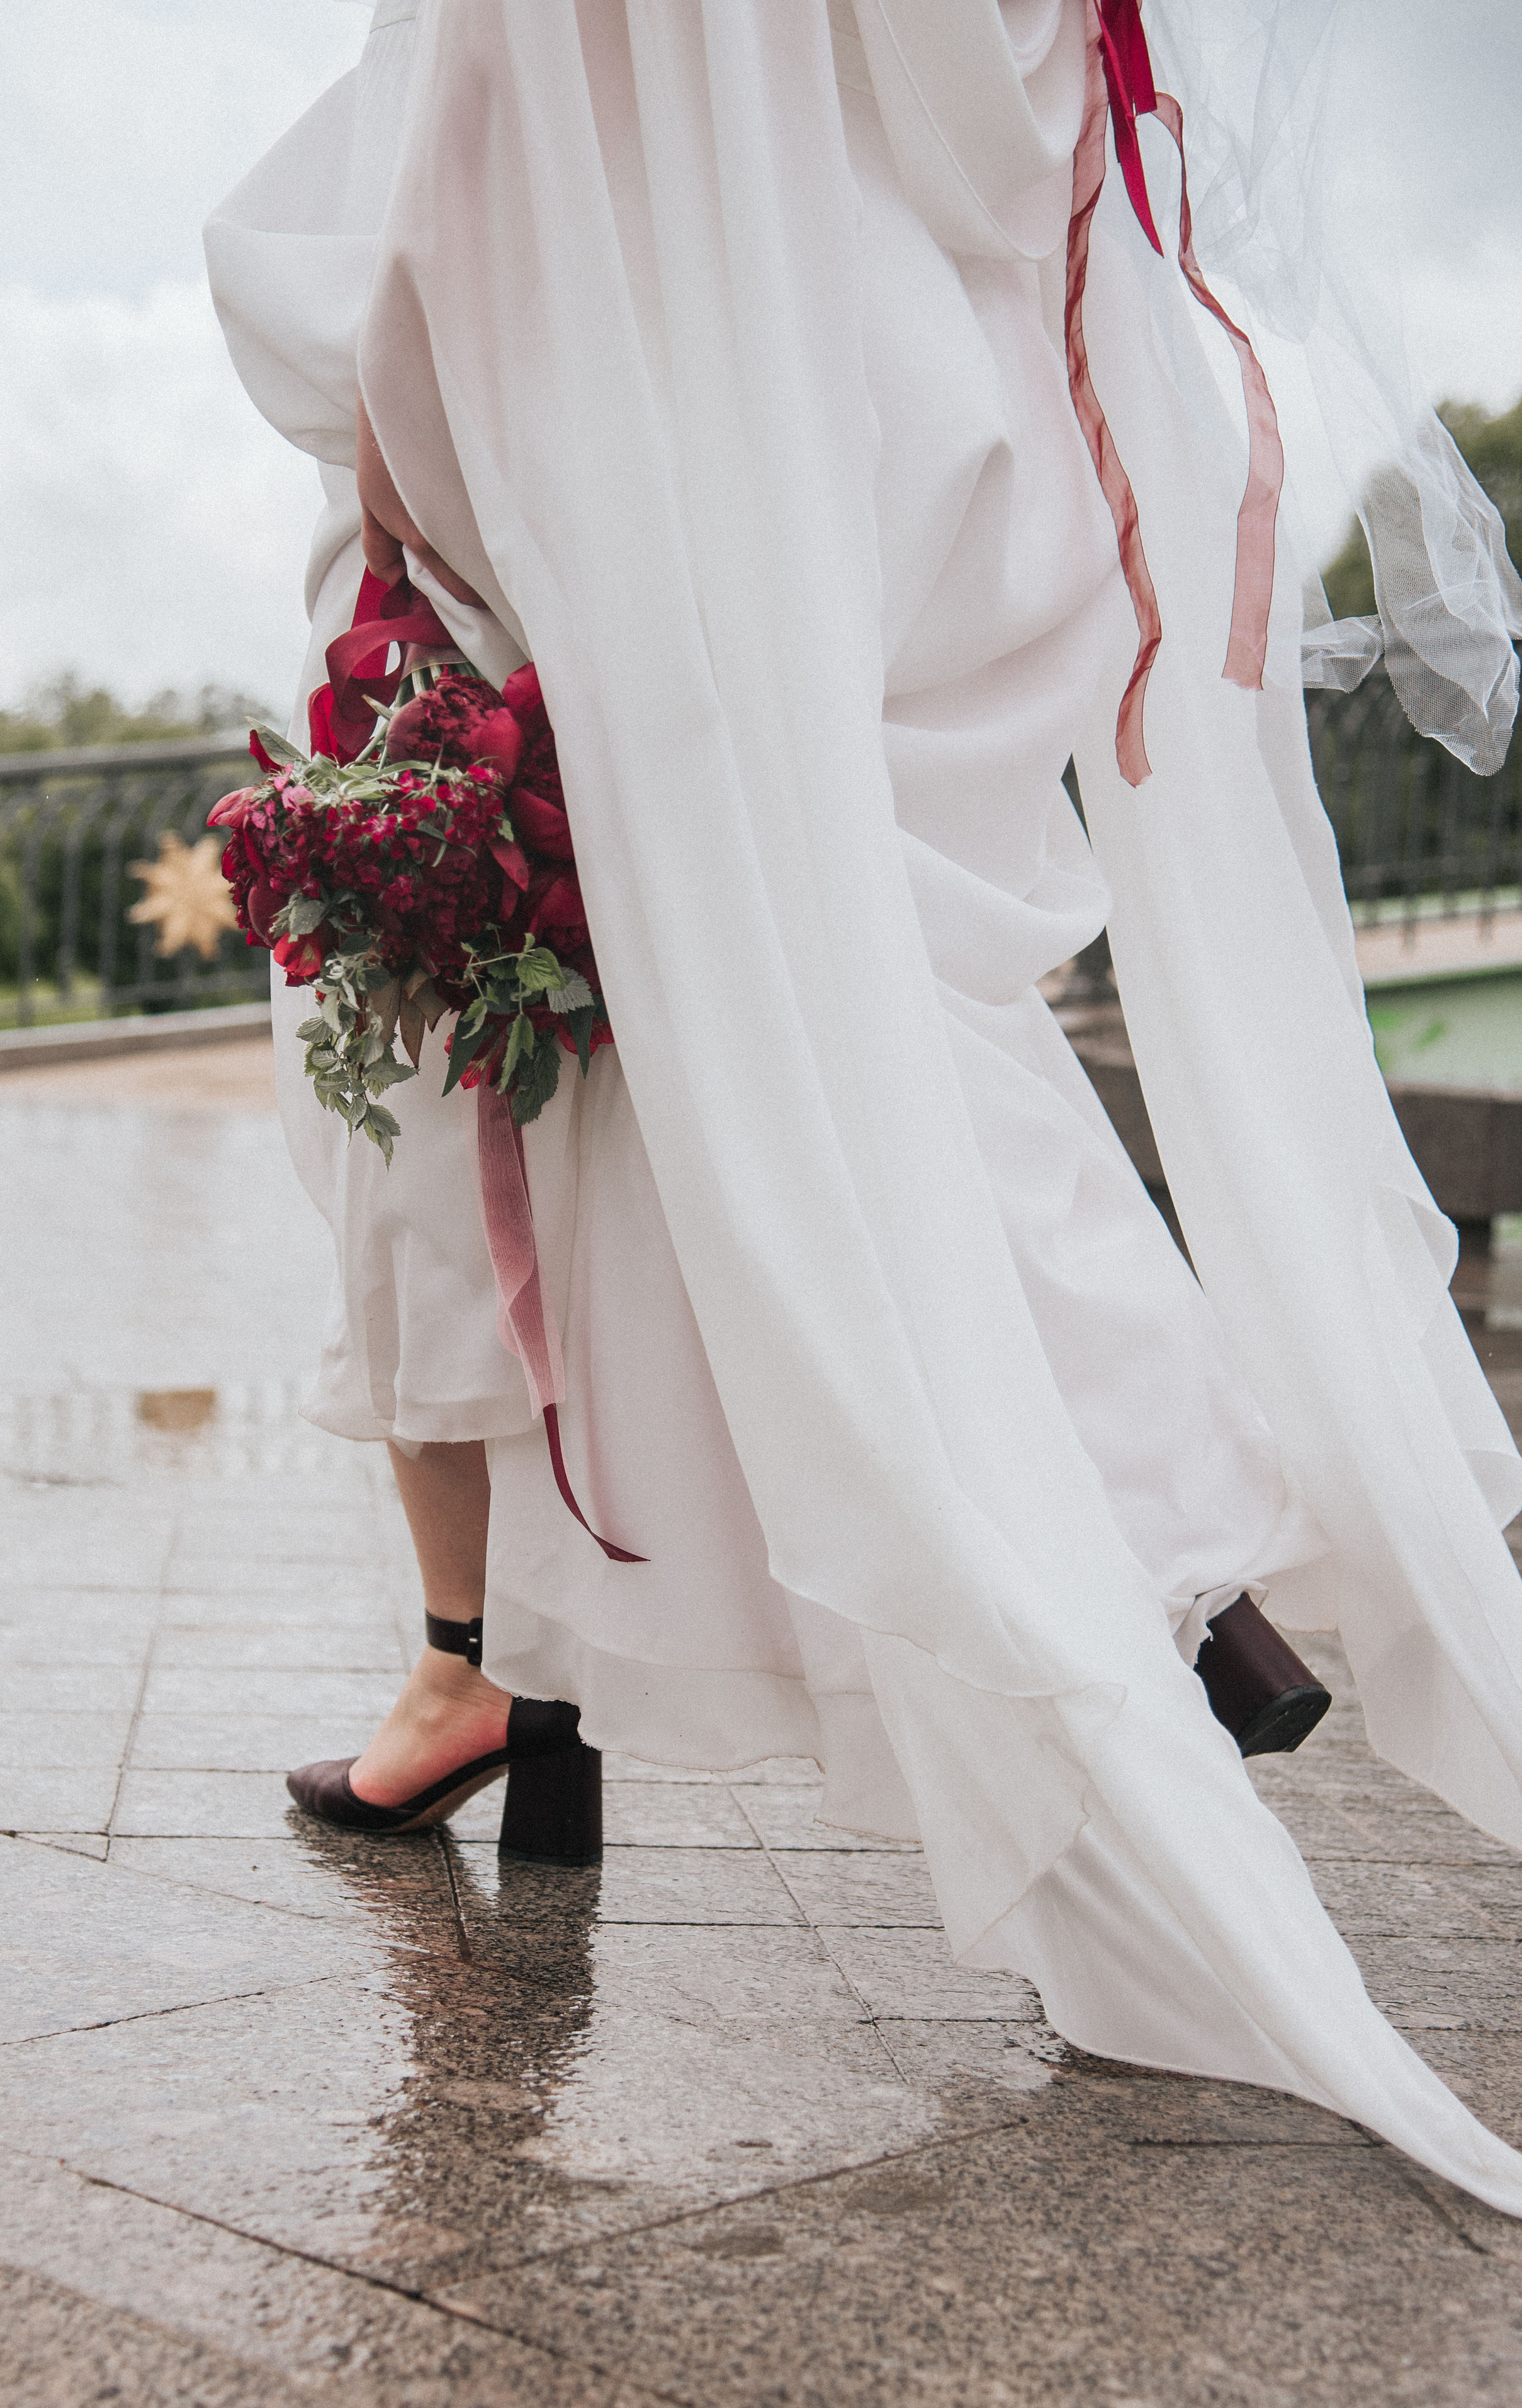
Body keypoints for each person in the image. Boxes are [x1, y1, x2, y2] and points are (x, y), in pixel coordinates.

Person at [206, 0, 1522, 2213]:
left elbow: (401, 264)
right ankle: (1175, 1569)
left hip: (659, 441)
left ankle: (475, 1670)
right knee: (913, 1014)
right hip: (951, 414)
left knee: (425, 1083)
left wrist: (422, 549)